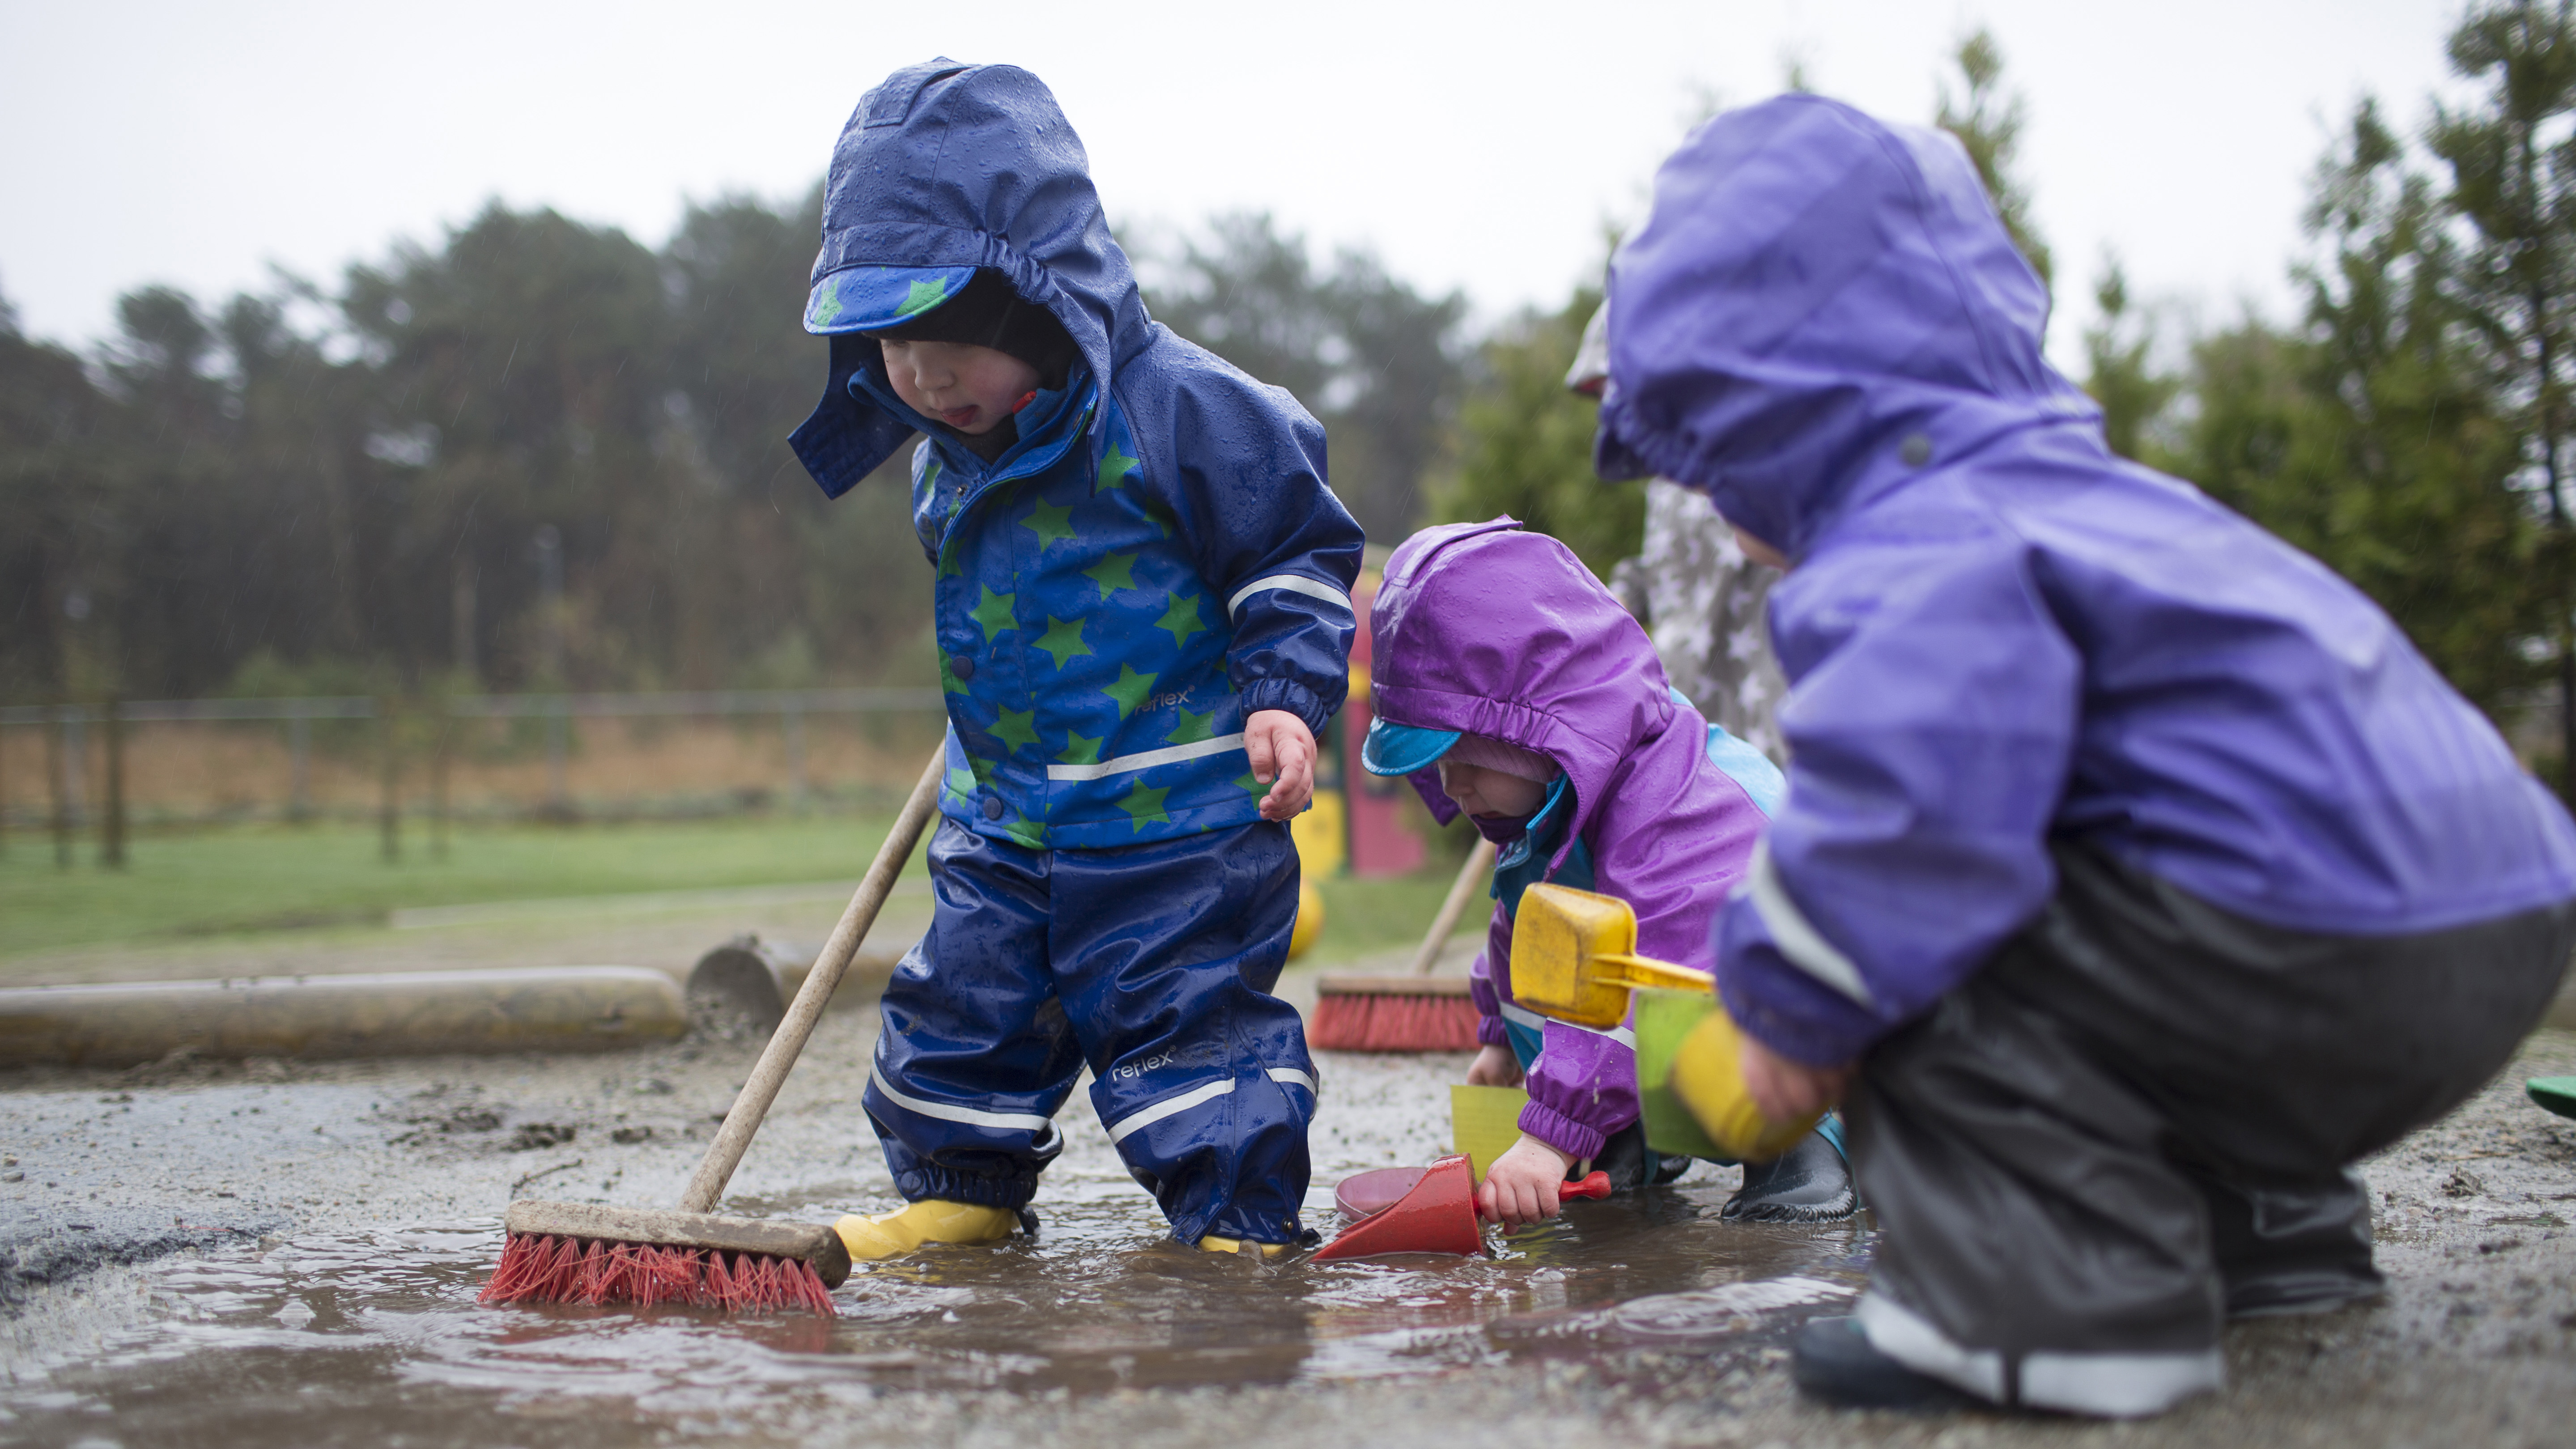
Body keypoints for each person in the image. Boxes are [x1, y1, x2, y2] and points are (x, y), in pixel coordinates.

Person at [1597, 93, 2576, 1417]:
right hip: (2491, 911)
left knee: (1910, 945)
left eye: (1705, 461)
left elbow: (1905, 825)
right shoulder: (2099, 495)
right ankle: (2270, 1237)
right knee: (2102, 883)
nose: (1707, 505)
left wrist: (1786, 1006)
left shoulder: (1910, 539)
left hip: (2300, 937)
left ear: (1767, 419)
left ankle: (2053, 1309)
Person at [787, 59, 1363, 1260]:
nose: (922, 376)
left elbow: (1295, 554)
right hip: (1004, 818)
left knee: (1185, 1023)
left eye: (950, 338)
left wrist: (1285, 698)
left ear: (1036, 301)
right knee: (962, 1007)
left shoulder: (1182, 412)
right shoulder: (947, 448)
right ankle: (962, 1186)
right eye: (891, 341)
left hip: (1173, 818)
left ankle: (1233, 1218)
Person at [1358, 518, 1854, 1228]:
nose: (1453, 783)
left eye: (1465, 758)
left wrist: (1548, 1132)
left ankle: (1802, 1145)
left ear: (1536, 726)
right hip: (1677, 1000)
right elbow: (1523, 932)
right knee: (1565, 953)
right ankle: (1634, 1132)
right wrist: (1500, 1035)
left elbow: (1642, 973)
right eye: (1439, 764)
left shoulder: (1677, 811)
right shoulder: (1552, 805)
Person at [1569, 304, 1792, 767]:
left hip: (1760, 696)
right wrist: (1614, 602)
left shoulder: (1749, 461)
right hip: (1686, 705)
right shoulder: (1664, 483)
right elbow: (1664, 567)